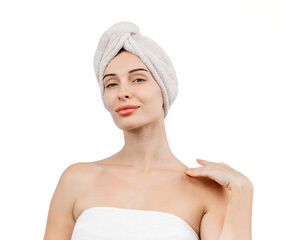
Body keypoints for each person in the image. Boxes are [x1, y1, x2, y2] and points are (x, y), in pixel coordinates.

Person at [43, 21, 253, 240]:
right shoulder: (76, 180)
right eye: (111, 84)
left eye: (138, 79)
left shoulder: (206, 191)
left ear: (164, 89)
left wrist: (242, 191)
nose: (123, 92)